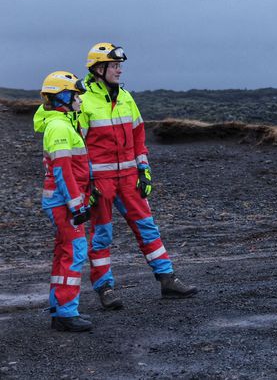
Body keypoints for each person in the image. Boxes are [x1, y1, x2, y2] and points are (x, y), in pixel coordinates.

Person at [79, 42, 197, 309]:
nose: (120, 71)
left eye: (120, 66)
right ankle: (105, 289)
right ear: (99, 69)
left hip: (130, 177)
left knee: (148, 228)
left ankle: (168, 279)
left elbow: (138, 137)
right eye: (115, 66)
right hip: (101, 183)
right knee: (102, 235)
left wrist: (144, 170)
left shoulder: (125, 97)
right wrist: (87, 183)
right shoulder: (84, 101)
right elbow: (79, 147)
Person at [33, 71, 93, 332]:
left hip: (61, 201)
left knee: (64, 252)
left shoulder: (62, 122)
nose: (80, 100)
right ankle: (67, 313)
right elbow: (63, 171)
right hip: (64, 202)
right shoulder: (59, 126)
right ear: (64, 97)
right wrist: (76, 204)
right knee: (75, 252)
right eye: (76, 95)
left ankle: (60, 309)